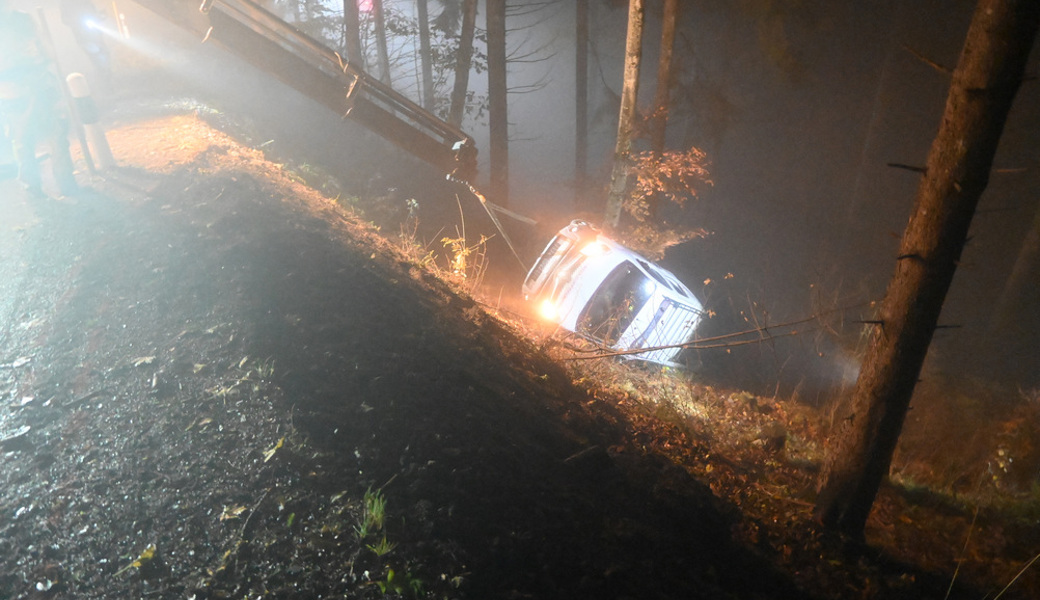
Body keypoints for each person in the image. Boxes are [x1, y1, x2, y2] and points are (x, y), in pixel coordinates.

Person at [0, 0, 79, 197]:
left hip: (15, 88)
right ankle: (66, 184)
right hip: (33, 83)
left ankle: (33, 185)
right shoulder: (23, 19)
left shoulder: (23, 19)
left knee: (22, 139)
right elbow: (46, 48)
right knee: (53, 133)